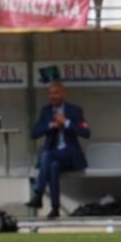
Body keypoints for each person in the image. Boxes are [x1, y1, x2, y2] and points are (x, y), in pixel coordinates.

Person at [25, 82, 90, 219]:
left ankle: (38, 192)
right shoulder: (46, 111)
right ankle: (55, 208)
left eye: (56, 93)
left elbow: (86, 132)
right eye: (50, 93)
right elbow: (34, 133)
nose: (52, 96)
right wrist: (51, 125)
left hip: (70, 156)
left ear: (63, 94)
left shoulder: (74, 111)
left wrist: (66, 122)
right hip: (54, 157)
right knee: (52, 166)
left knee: (47, 155)